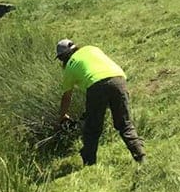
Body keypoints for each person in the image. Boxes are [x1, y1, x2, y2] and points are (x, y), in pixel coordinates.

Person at [56, 38, 145, 166]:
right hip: (119, 79)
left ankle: (89, 163)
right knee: (124, 123)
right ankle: (140, 157)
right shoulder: (92, 48)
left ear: (63, 57)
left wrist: (62, 116)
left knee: (92, 128)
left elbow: (67, 96)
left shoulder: (69, 66)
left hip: (96, 85)